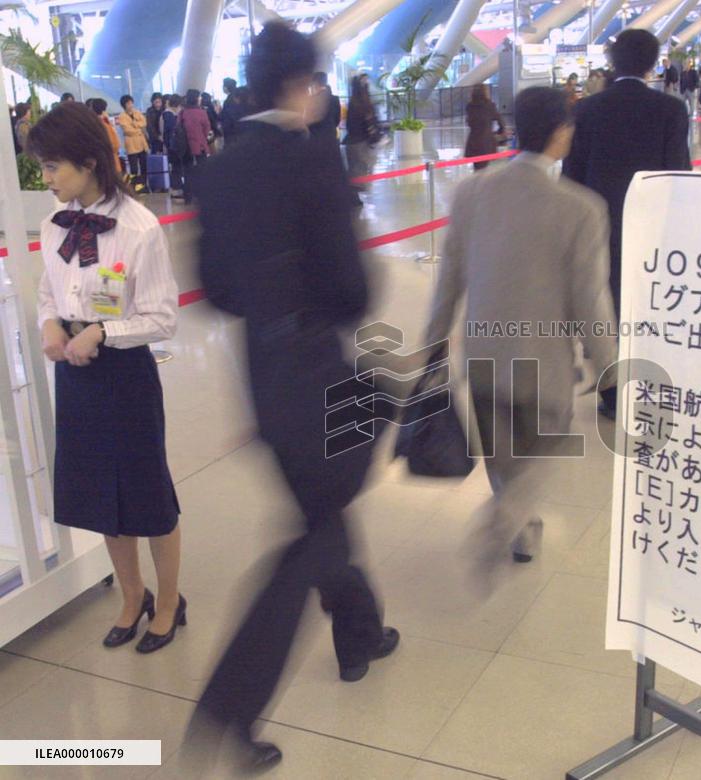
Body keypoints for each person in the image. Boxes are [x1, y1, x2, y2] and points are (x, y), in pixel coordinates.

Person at [184, 23, 398, 772]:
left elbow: (215, 292)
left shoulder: (217, 171)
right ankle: (230, 708)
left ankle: (361, 634)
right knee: (318, 536)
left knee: (323, 511)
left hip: (265, 380)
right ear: (301, 85)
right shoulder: (312, 164)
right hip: (322, 374)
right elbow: (352, 291)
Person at [424, 86, 617, 585]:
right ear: (559, 132)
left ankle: (519, 527)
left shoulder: (472, 192)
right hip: (543, 359)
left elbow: (450, 279)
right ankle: (507, 520)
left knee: (502, 453)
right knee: (546, 445)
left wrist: (431, 344)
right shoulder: (581, 208)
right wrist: (609, 365)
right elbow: (588, 301)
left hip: (483, 352)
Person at [28, 103, 182, 655]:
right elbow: (49, 290)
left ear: (89, 162)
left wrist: (101, 333)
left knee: (147, 493)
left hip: (123, 371)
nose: (45, 179)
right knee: (99, 492)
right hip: (77, 372)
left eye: (52, 168)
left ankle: (167, 602)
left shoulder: (138, 227)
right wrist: (51, 323)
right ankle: (131, 594)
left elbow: (162, 317)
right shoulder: (52, 224)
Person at [563, 28, 691, 418]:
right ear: (653, 64)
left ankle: (611, 393)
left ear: (613, 63)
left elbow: (572, 175)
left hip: (598, 225)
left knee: (603, 306)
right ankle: (648, 382)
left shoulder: (587, 109)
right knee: (647, 304)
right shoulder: (670, 110)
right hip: (650, 226)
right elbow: (678, 174)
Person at [343, 73, 378, 192]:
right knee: (362, 172)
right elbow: (372, 123)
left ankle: (355, 201)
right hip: (363, 141)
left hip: (352, 141)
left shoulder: (352, 103)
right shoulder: (367, 104)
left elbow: (349, 125)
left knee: (353, 172)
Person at [178, 89, 212, 204]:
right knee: (202, 170)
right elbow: (207, 128)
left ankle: (188, 196)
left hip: (186, 146)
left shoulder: (183, 112)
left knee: (187, 171)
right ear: (196, 99)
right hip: (200, 145)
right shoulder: (202, 112)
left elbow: (178, 128)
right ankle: (202, 195)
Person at [463, 84, 504, 171]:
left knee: (477, 168)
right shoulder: (490, 106)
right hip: (487, 141)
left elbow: (469, 123)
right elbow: (501, 122)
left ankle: (477, 183)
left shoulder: (469, 106)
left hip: (473, 141)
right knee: (485, 168)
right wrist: (499, 133)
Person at [117, 94, 149, 189]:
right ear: (124, 105)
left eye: (131, 103)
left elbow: (144, 122)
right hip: (131, 145)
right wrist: (138, 129)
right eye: (128, 103)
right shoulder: (122, 116)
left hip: (142, 143)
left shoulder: (137, 112)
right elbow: (127, 130)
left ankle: (144, 184)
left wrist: (134, 124)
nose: (130, 105)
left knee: (144, 166)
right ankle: (136, 186)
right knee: (134, 168)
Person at [88, 98, 123, 173]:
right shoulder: (104, 123)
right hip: (110, 160)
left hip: (104, 160)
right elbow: (115, 144)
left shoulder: (95, 123)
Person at [160, 95, 183, 198]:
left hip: (173, 145)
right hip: (173, 146)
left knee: (177, 167)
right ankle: (176, 189)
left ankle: (177, 188)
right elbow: (170, 131)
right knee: (176, 167)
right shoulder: (169, 115)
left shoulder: (170, 114)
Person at [308, 71, 341, 144]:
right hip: (331, 136)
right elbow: (337, 120)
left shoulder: (311, 101)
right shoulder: (335, 99)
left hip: (316, 140)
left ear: (315, 83)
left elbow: (309, 123)